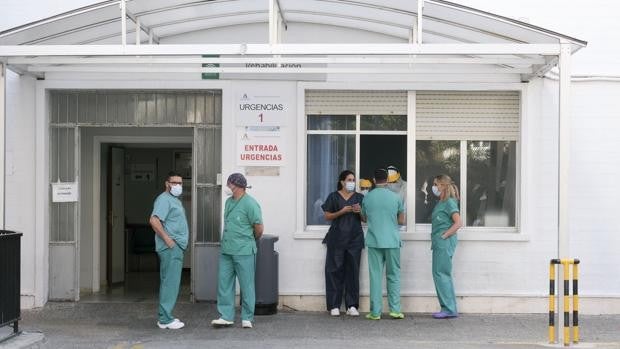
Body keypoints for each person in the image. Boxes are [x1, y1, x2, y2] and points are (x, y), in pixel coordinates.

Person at [212, 173, 264, 329]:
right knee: (224, 283)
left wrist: (247, 240)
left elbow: (259, 229)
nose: (227, 187)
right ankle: (226, 316)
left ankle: (247, 317)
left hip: (244, 251)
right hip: (227, 250)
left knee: (246, 285)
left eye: (229, 184)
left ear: (236, 185)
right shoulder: (228, 202)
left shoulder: (250, 204)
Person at [360, 168, 406, 320]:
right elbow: (401, 220)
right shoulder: (396, 197)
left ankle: (375, 312)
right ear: (387, 180)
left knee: (375, 276)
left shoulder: (367, 198)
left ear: (373, 180)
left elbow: (364, 218)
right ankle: (395, 310)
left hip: (374, 241)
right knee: (394, 275)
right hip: (392, 240)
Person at [321, 170, 365, 317]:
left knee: (352, 272)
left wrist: (359, 212)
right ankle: (334, 305)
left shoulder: (359, 197)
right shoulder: (333, 197)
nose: (352, 182)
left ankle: (352, 305)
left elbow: (365, 219)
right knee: (334, 271)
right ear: (342, 182)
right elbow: (327, 216)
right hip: (337, 238)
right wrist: (342, 211)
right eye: (349, 179)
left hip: (354, 239)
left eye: (353, 180)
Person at [149, 171, 189, 329]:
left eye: (180, 183)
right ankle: (165, 319)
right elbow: (154, 220)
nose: (178, 186)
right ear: (167, 184)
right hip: (170, 247)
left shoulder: (174, 199)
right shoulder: (164, 199)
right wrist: (167, 240)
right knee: (170, 283)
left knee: (170, 282)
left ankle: (166, 316)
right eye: (174, 183)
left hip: (175, 247)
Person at [430, 174, 462, 319]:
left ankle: (449, 309)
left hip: (444, 242)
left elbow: (458, 223)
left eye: (436, 184)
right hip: (439, 243)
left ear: (442, 185)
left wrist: (444, 235)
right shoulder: (441, 202)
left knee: (441, 274)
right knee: (439, 274)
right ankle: (447, 307)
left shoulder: (449, 202)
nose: (434, 187)